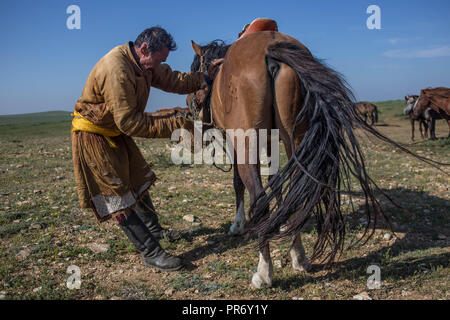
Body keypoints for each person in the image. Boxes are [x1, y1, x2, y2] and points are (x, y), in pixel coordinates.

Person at [71, 26, 221, 271]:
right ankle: (151, 252)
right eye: (160, 59)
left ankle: (154, 230)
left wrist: (204, 77)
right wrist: (175, 123)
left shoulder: (144, 64)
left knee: (136, 180)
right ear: (144, 49)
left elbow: (172, 80)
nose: (160, 64)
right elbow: (129, 122)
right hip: (94, 135)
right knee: (116, 197)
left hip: (114, 130)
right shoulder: (117, 68)